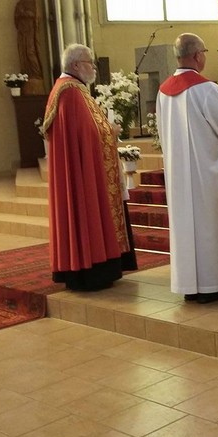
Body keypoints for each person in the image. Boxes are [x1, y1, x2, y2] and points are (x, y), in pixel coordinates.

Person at [156, 33, 218, 304]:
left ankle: (190, 285)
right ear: (196, 55)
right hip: (207, 176)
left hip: (179, 175)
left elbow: (162, 134)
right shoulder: (206, 90)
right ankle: (212, 286)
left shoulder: (164, 92)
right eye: (204, 52)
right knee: (210, 227)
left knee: (187, 229)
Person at [42, 44, 137, 290]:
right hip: (84, 172)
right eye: (89, 62)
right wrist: (111, 131)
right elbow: (91, 133)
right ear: (75, 65)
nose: (93, 67)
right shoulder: (72, 92)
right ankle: (93, 269)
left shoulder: (66, 88)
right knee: (87, 209)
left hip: (78, 167)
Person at [14, 0, 44, 94]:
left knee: (31, 52)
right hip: (23, 31)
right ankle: (27, 74)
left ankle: (36, 73)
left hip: (31, 31)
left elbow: (36, 17)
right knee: (24, 53)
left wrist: (26, 14)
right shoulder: (20, 3)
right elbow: (16, 16)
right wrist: (22, 14)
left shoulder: (34, 2)